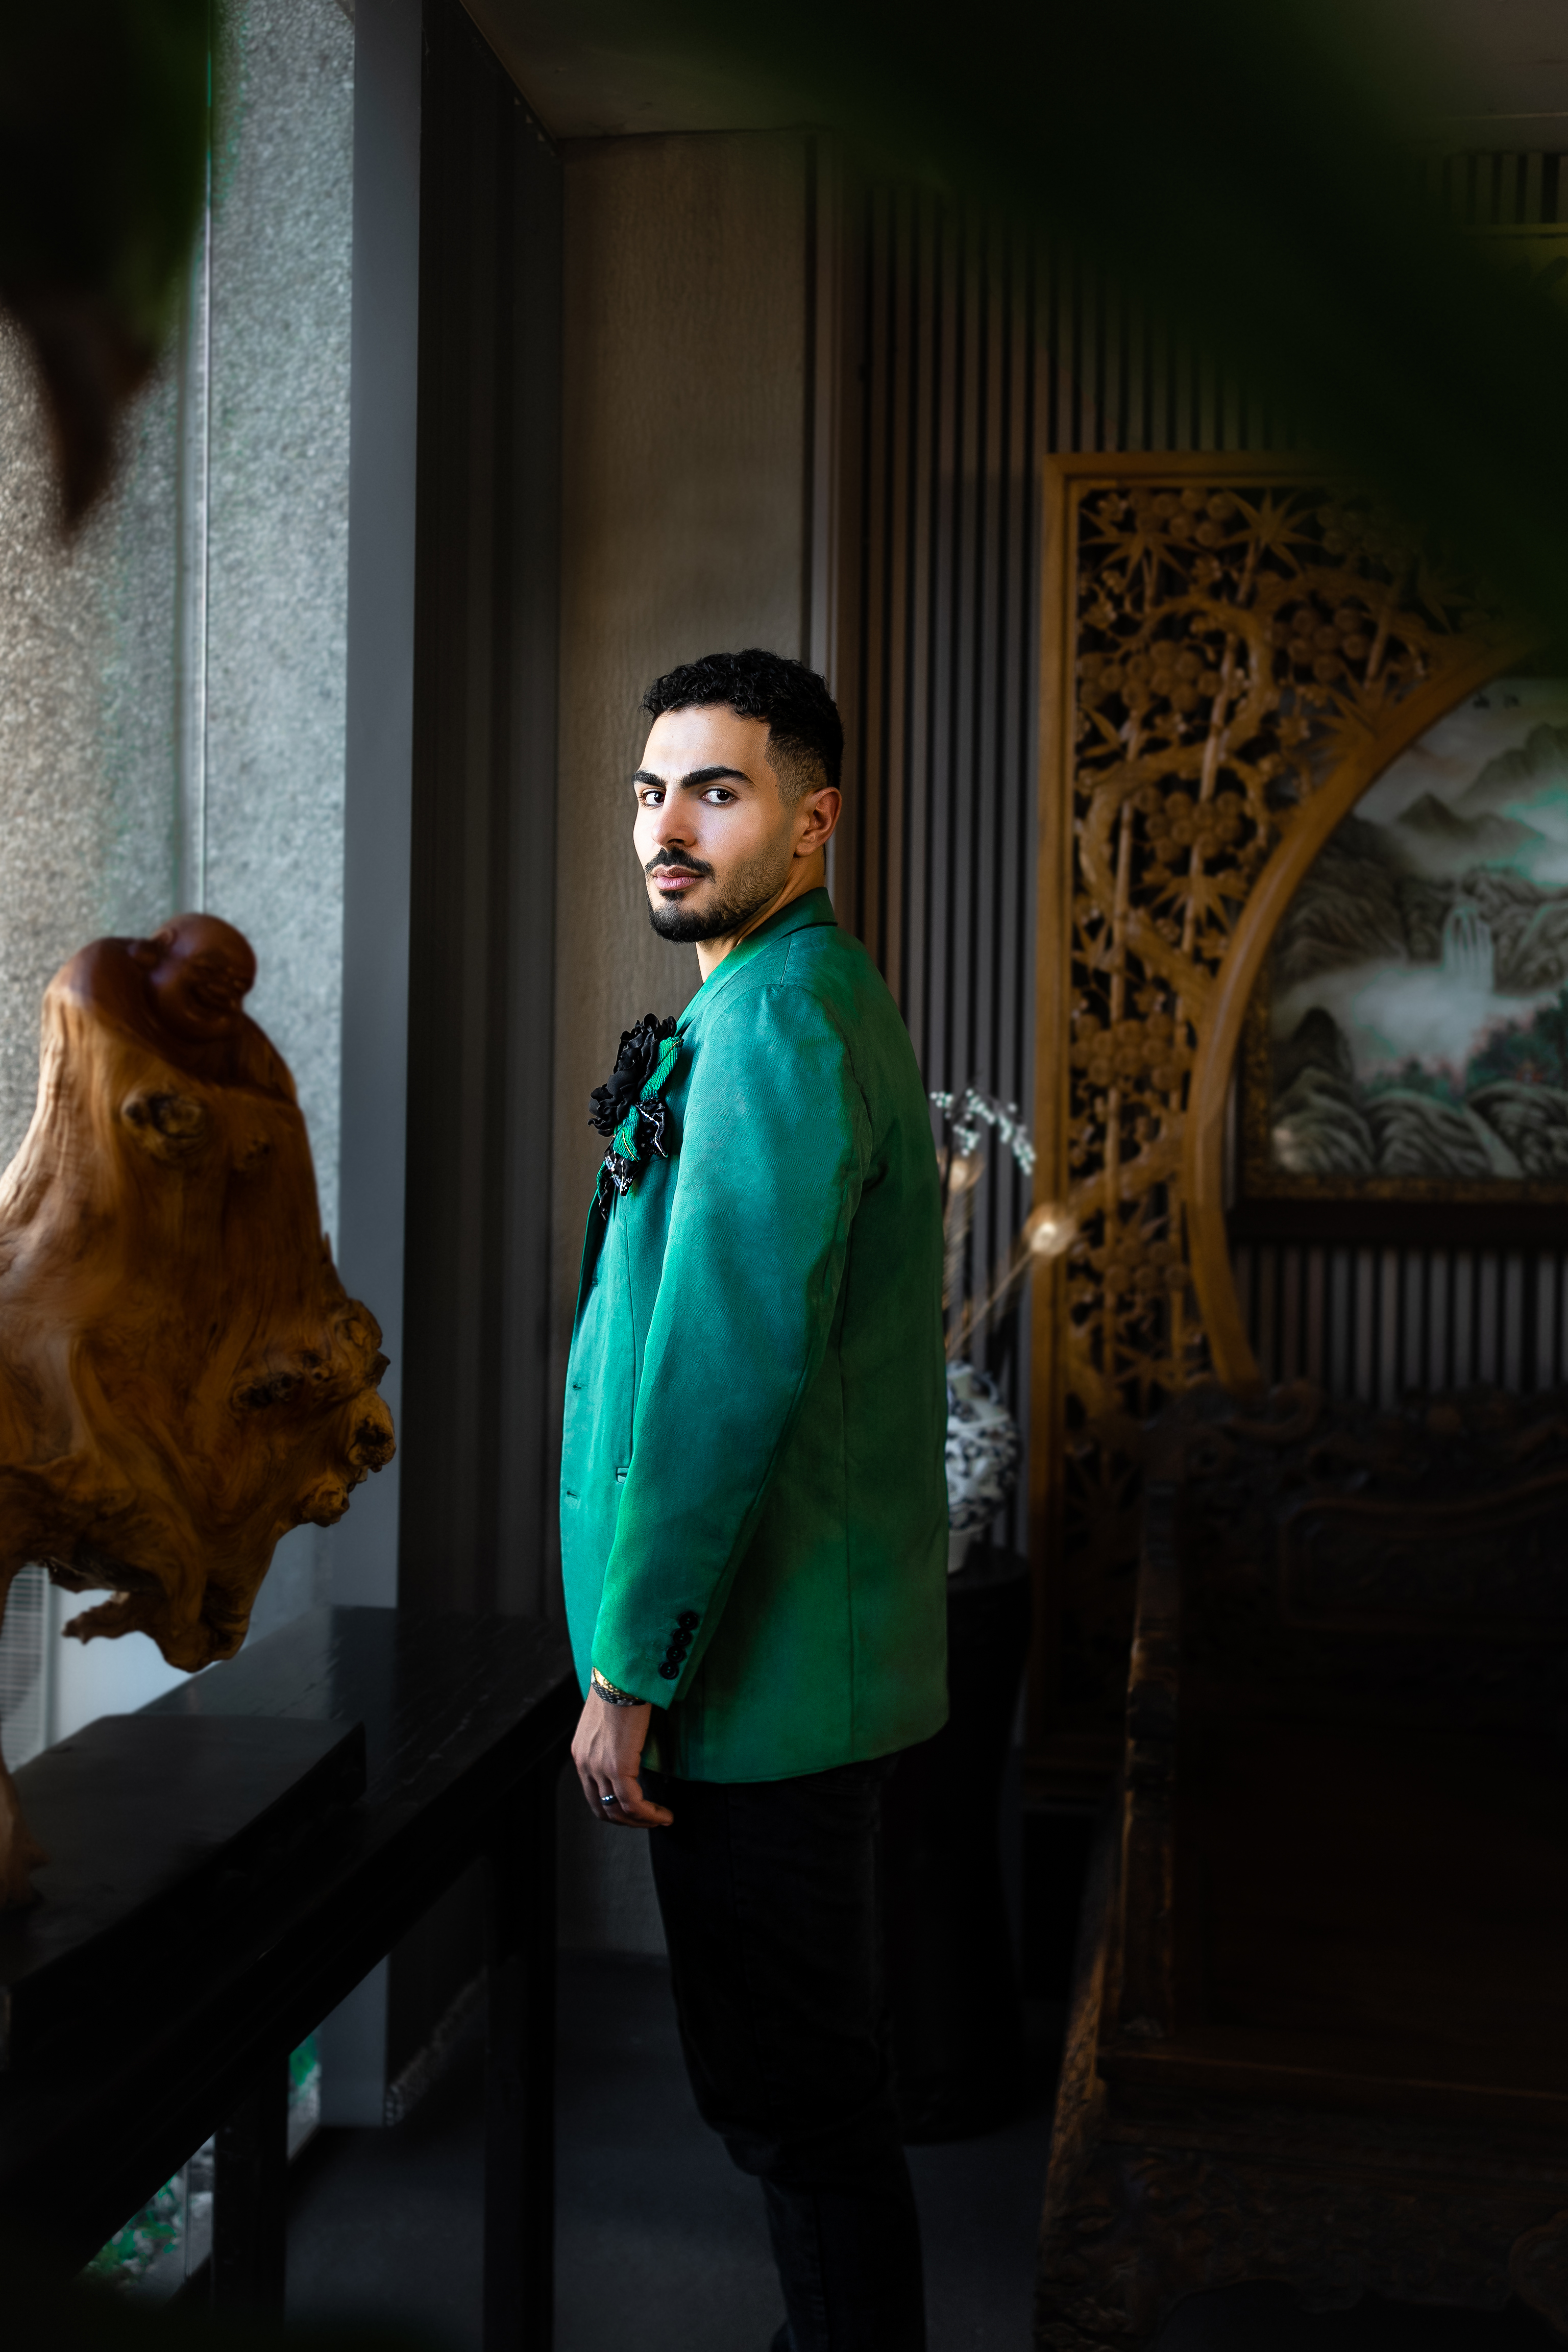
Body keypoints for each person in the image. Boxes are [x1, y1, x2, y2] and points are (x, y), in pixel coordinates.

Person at [562, 648, 947, 2352]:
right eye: (652, 791)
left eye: (716, 791)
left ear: (813, 819)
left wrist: (630, 1670)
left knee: (800, 2110)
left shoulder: (783, 1016)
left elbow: (724, 1372)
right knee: (802, 2101)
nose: (668, 826)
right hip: (766, 1669)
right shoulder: (770, 996)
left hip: (757, 1680)